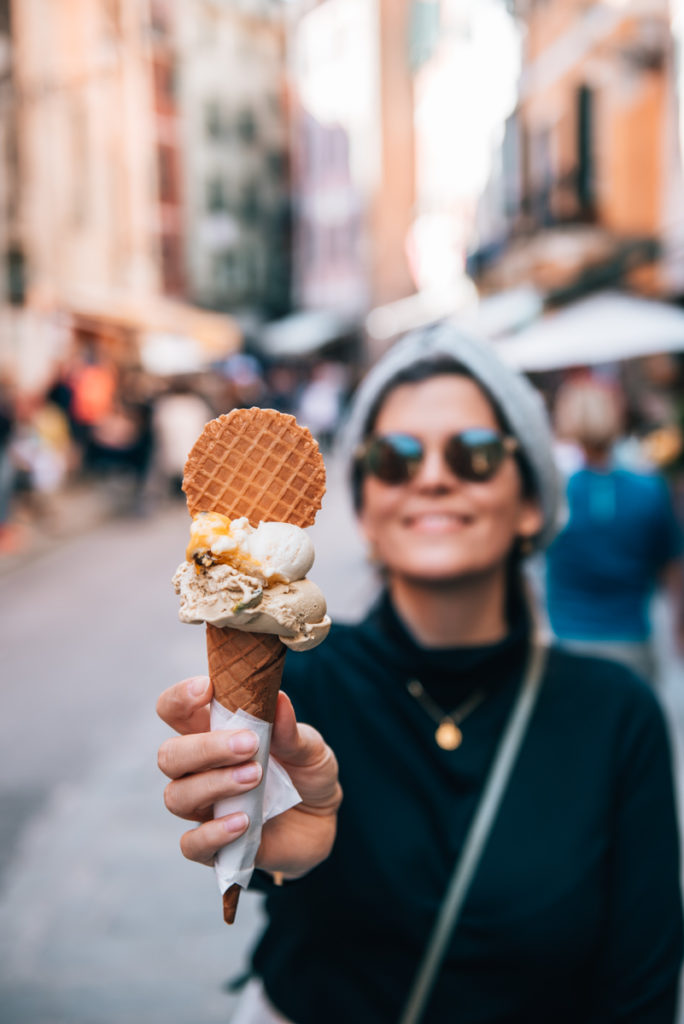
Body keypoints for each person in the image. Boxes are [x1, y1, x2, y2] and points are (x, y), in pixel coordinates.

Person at [157, 324, 683, 1024]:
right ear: (367, 510)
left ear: (530, 502)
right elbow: (286, 898)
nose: (433, 476)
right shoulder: (301, 686)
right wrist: (271, 856)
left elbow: (642, 988)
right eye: (397, 458)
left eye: (474, 454)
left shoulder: (616, 714)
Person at [546, 376, 684, 682]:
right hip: (630, 640)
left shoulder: (556, 493)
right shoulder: (648, 489)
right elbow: (671, 567)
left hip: (567, 640)